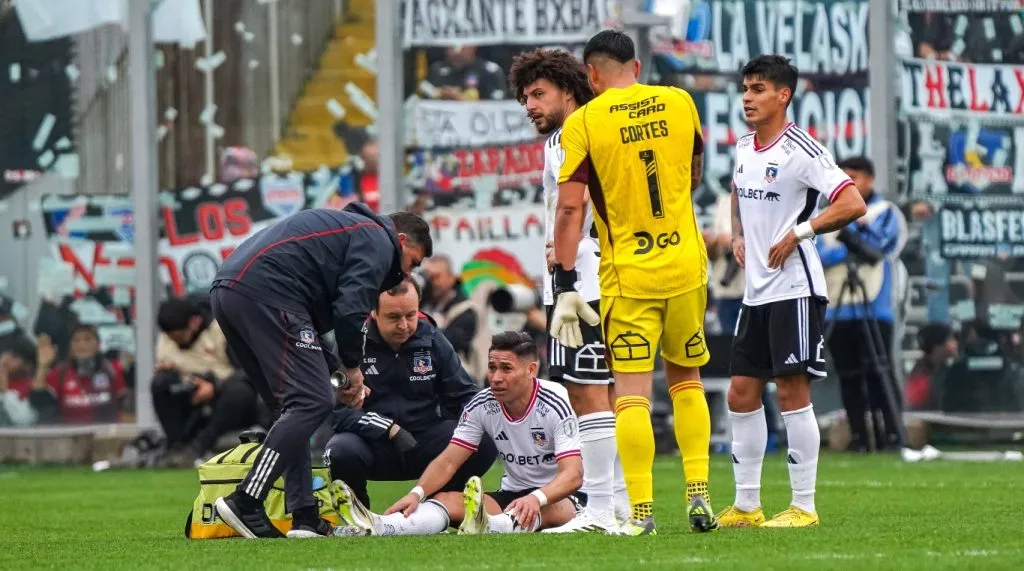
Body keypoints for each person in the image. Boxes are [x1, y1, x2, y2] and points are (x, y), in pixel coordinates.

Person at [550, 30, 716, 535]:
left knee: (632, 395)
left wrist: (564, 282)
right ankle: (699, 495)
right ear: (637, 67)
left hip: (628, 274)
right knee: (687, 380)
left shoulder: (584, 122)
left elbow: (571, 206)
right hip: (686, 265)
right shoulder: (679, 101)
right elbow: (694, 174)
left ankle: (640, 512)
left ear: (592, 75)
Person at [209, 203, 432, 539]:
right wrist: (354, 369)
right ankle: (246, 499)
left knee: (294, 409)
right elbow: (349, 310)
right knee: (311, 402)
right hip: (268, 292)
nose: (407, 274)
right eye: (412, 262)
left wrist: (339, 370)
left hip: (232, 291)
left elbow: (311, 332)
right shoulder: (377, 240)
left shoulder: (347, 233)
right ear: (401, 239)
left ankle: (304, 515)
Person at [717, 55, 867, 528]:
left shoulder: (803, 148)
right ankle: (747, 505)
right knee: (740, 393)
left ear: (783, 95)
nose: (747, 97)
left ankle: (804, 507)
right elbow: (739, 191)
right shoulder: (743, 147)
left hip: (795, 288)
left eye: (758, 89)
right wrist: (738, 234)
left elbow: (852, 202)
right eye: (744, 88)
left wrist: (801, 232)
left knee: (791, 391)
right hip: (755, 292)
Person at [508, 47, 628, 533]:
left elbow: (570, 211)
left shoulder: (569, 138)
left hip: (582, 281)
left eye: (538, 94)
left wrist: (562, 278)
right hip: (611, 277)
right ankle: (623, 506)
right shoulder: (598, 131)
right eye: (524, 98)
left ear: (570, 90)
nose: (530, 105)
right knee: (619, 395)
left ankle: (601, 510)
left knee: (588, 395)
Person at [331, 331, 585, 537]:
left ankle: (493, 526)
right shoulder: (482, 404)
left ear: (530, 370)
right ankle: (381, 525)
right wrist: (416, 493)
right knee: (446, 500)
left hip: (565, 498)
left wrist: (536, 497)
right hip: (514, 494)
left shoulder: (555, 401)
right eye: (492, 367)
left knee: (546, 509)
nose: (495, 377)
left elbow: (573, 475)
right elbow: (449, 460)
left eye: (506, 369)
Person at [323, 279, 496, 507]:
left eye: (411, 315)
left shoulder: (433, 338)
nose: (404, 325)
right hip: (373, 444)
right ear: (373, 312)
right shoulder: (353, 345)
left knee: (483, 438)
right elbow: (339, 413)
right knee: (338, 451)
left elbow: (463, 396)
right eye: (394, 317)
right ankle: (360, 516)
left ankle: (437, 506)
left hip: (425, 442)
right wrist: (388, 429)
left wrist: (489, 420)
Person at [816, 156, 907, 452]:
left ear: (869, 180)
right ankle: (859, 437)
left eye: (853, 176)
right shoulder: (825, 213)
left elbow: (879, 247)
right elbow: (818, 254)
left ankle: (892, 434)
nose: (846, 182)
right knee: (849, 375)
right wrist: (852, 243)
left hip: (875, 304)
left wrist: (848, 233)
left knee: (880, 371)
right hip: (837, 307)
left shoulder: (885, 211)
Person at [151, 297, 266, 467]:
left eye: (180, 336)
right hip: (191, 395)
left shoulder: (221, 330)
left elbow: (248, 372)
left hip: (226, 396)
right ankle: (177, 446)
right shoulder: (166, 339)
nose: (177, 343)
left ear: (194, 322)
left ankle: (200, 446)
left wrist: (214, 387)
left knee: (239, 392)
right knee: (160, 383)